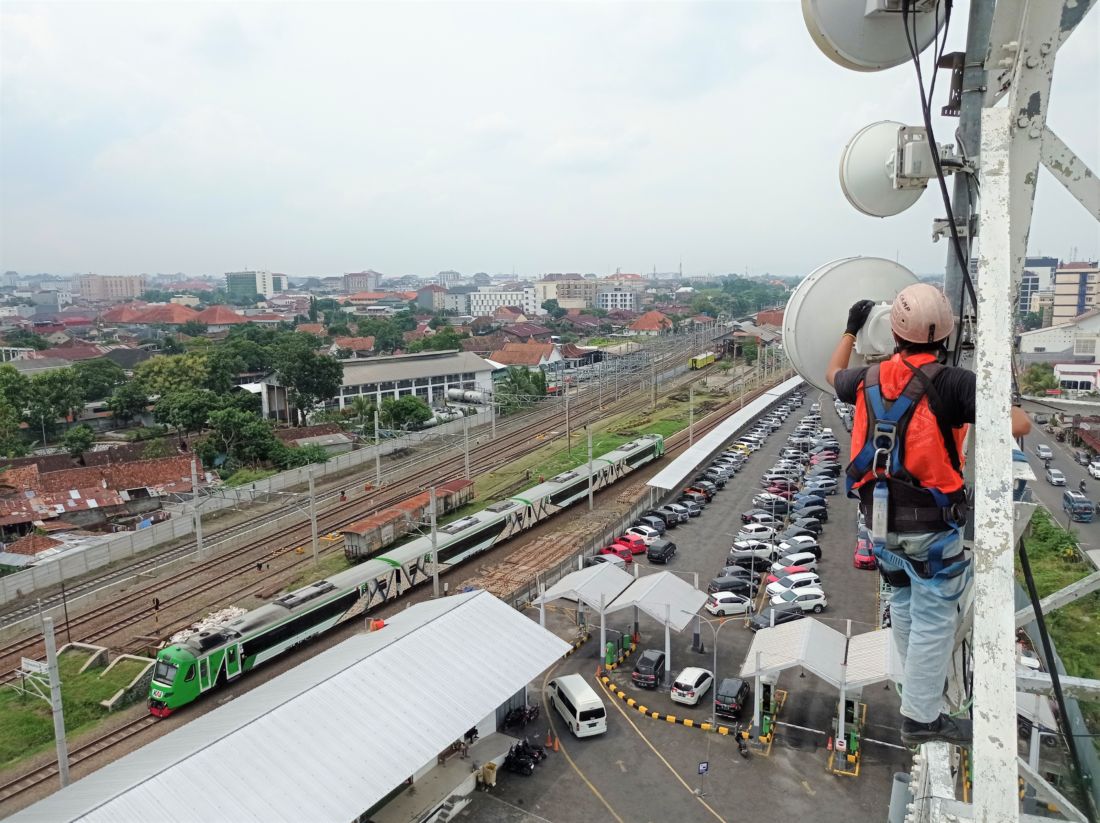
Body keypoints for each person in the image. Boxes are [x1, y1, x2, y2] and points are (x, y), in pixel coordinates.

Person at [826, 283, 1031, 747]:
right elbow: (1019, 425)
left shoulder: (867, 378)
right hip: (931, 532)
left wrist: (851, 328)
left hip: (878, 526)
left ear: (893, 332)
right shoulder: (955, 383)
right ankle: (921, 716)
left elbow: (831, 371)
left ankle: (911, 688)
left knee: (902, 603)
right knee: (935, 616)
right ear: (946, 334)